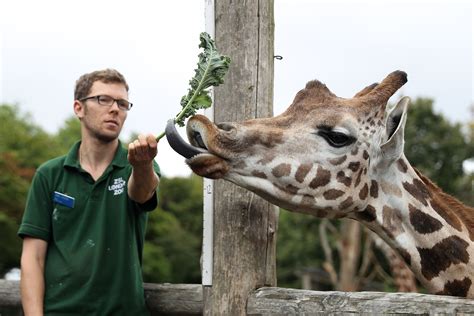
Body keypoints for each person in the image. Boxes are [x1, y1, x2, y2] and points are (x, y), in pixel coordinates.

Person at [18, 68, 160, 315]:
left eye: (123, 103)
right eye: (103, 99)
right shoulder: (49, 174)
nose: (115, 109)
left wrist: (144, 164)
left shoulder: (137, 166)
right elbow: (33, 259)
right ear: (79, 108)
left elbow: (142, 192)